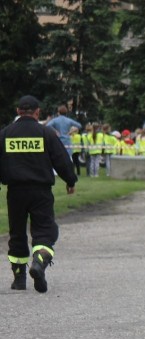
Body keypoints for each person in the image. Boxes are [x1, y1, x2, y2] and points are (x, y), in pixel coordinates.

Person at [0, 95, 77, 293]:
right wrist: (70, 180)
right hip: (40, 192)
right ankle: (39, 262)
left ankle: (19, 279)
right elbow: (61, 159)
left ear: (18, 111)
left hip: (15, 192)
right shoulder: (46, 133)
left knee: (17, 233)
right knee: (45, 231)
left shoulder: (6, 133)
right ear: (37, 112)